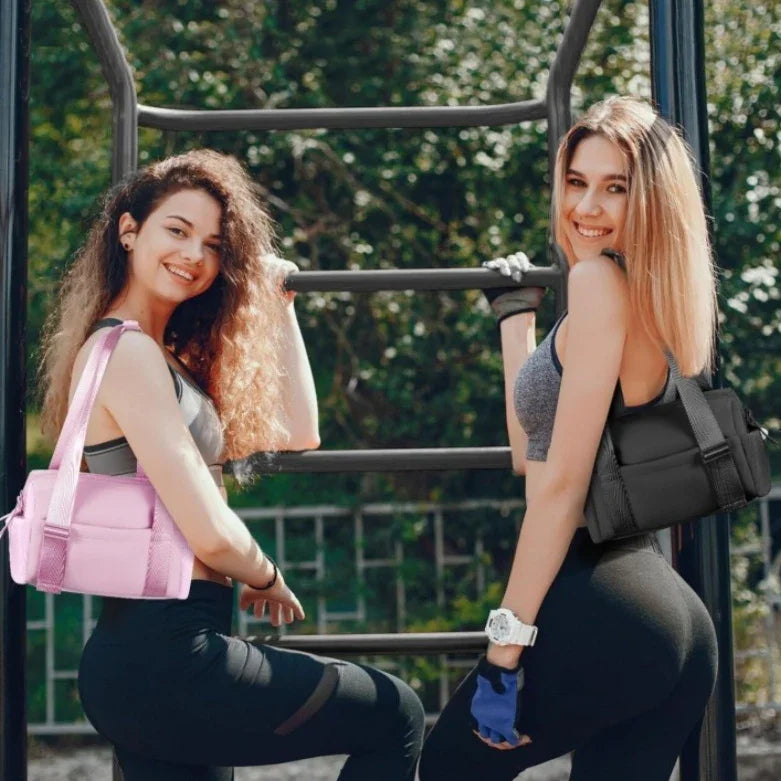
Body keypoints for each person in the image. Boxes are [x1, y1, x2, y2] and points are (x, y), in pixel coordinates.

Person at [37, 149, 424, 780]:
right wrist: (266, 575)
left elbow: (300, 430)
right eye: (177, 230)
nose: (194, 255)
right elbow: (208, 528)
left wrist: (279, 303)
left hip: (149, 661)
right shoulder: (128, 355)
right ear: (129, 229)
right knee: (395, 712)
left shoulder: (165, 358)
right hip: (169, 655)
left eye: (214, 245)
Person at [418, 96, 720, 780]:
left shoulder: (596, 283)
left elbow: (556, 492)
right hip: (674, 622)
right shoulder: (652, 295)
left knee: (447, 767)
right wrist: (515, 323)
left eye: (615, 187)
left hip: (605, 597)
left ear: (651, 201)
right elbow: (539, 449)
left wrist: (502, 652)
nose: (587, 206)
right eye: (576, 182)